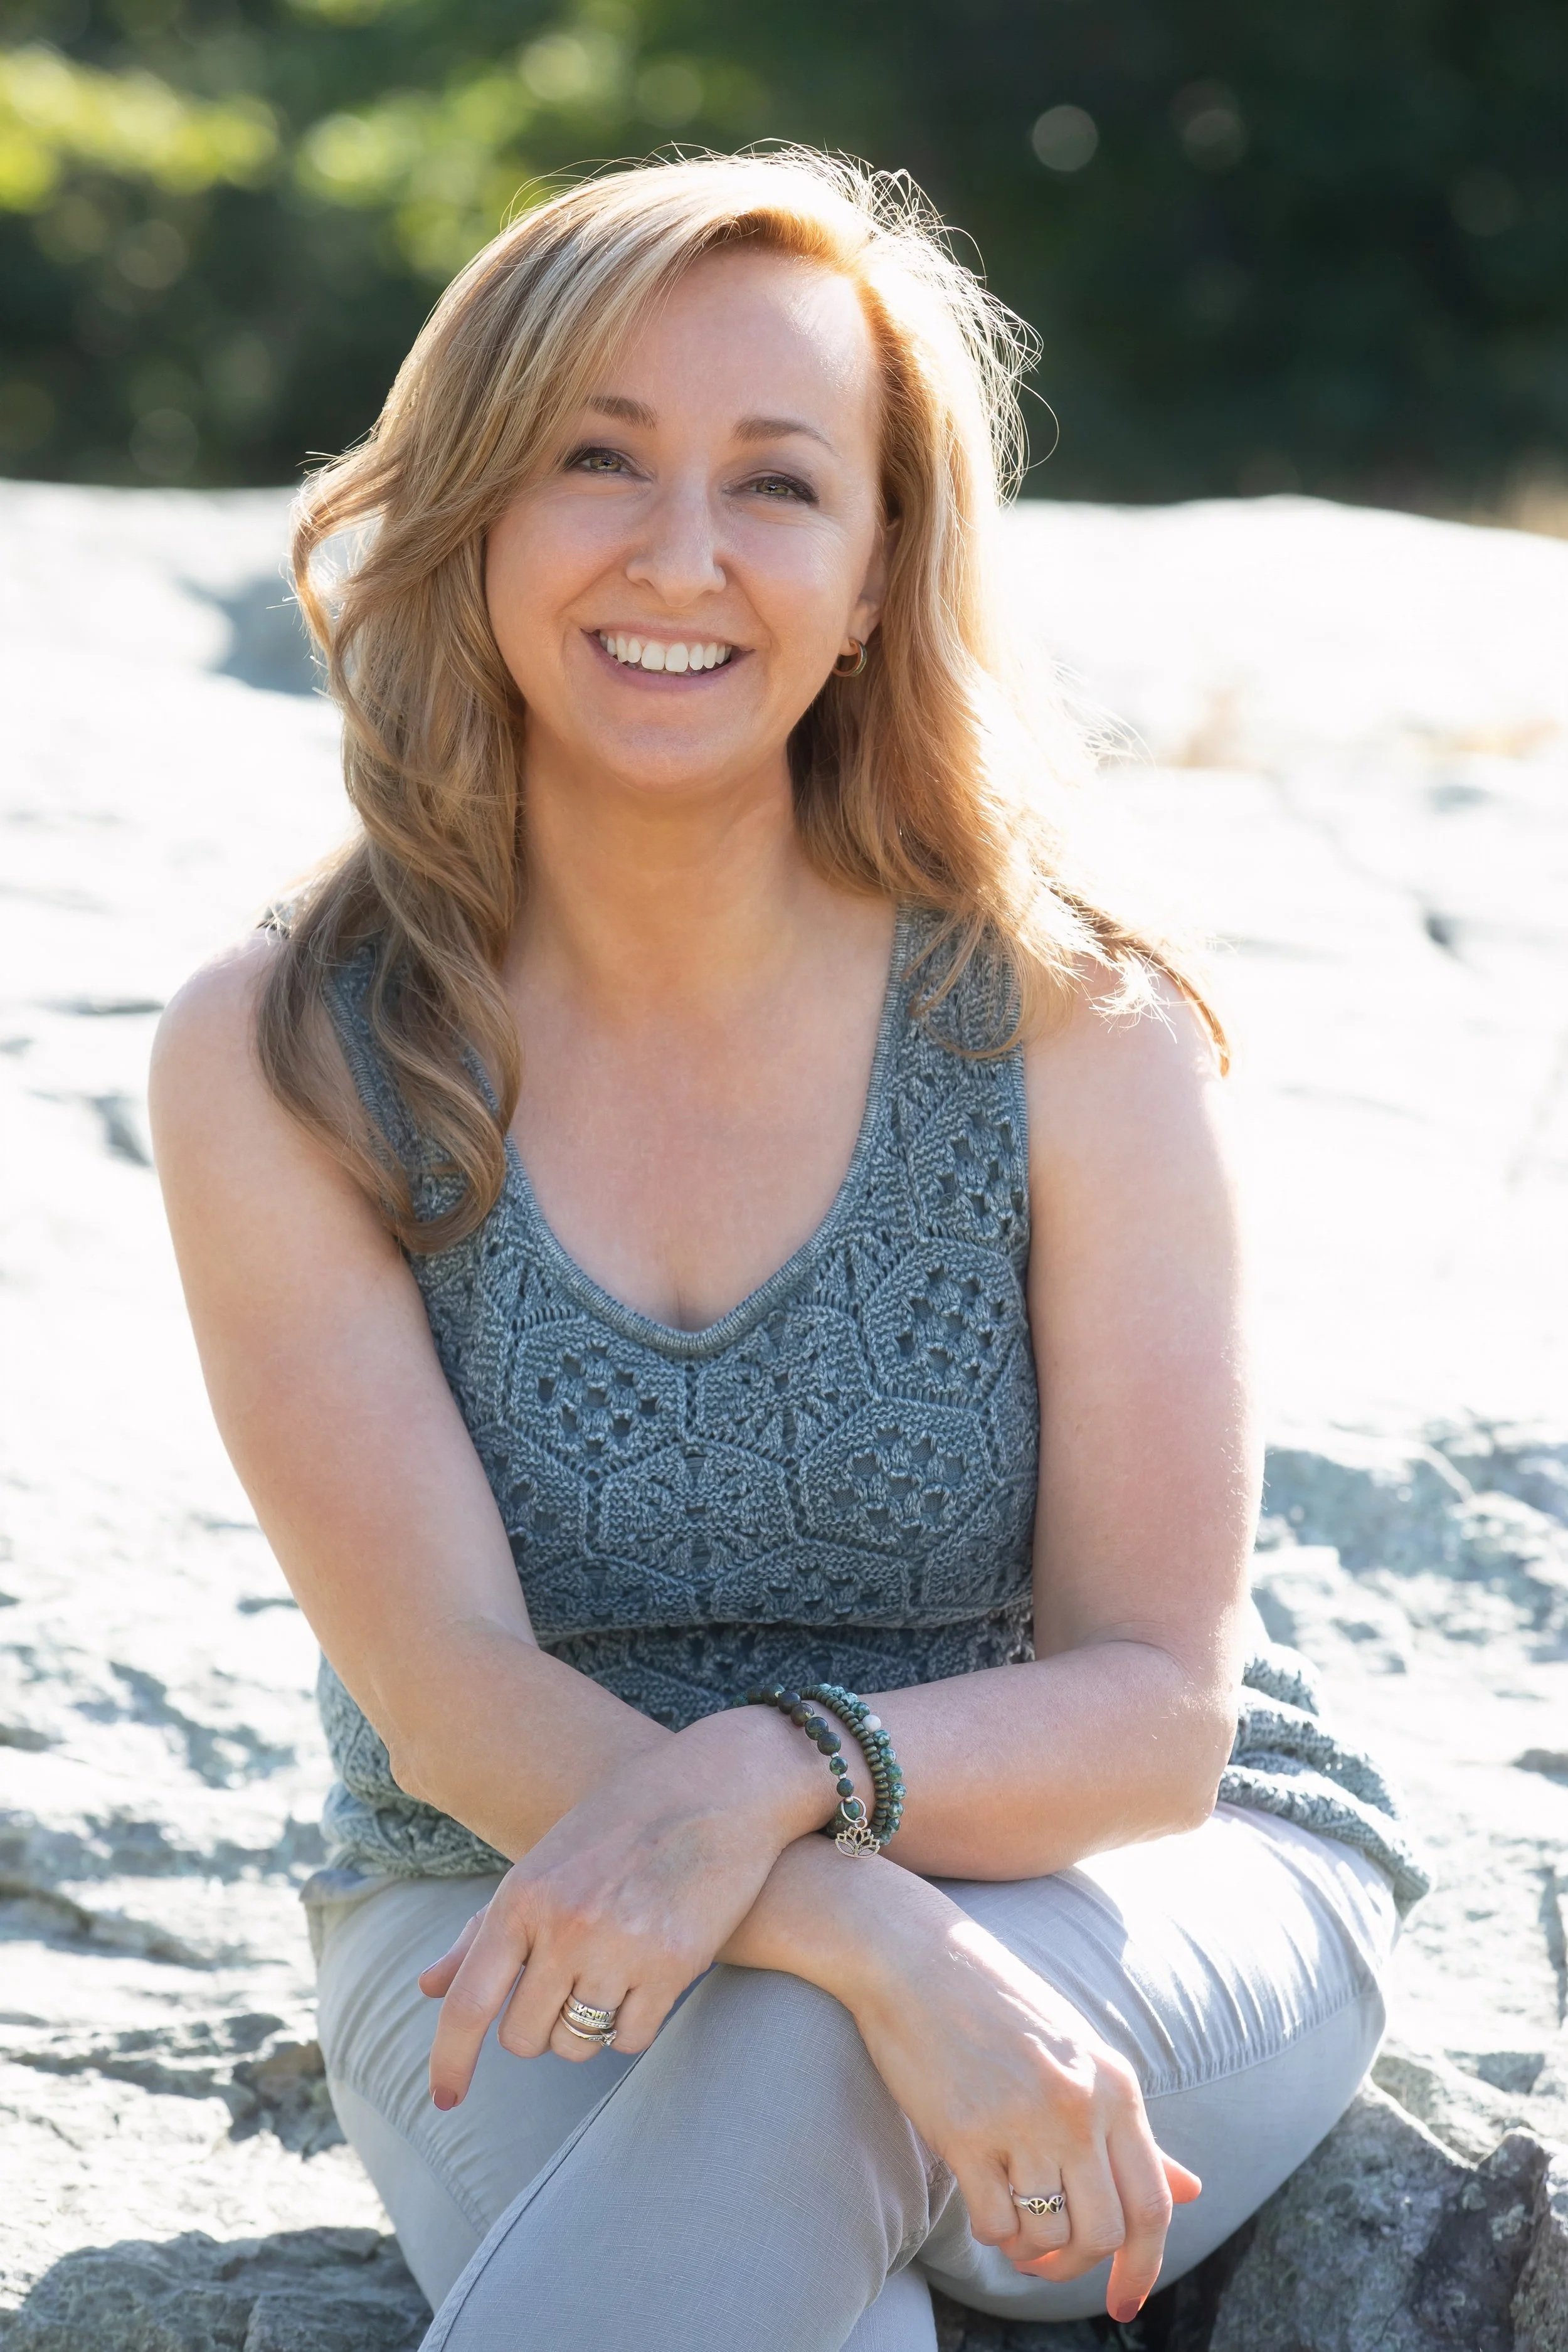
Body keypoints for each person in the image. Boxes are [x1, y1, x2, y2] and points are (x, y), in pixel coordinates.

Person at [149, 149, 1428, 2352]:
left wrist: (777, 1788)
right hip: (502, 1897)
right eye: (597, 462)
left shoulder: (1068, 1024)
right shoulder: (287, 1051)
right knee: (802, 2076)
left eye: (777, 484)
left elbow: (1156, 1713)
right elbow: (449, 1698)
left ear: (871, 571)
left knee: (789, 2069)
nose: (681, 556)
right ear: (470, 512)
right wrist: (875, 1941)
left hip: (1120, 1894)